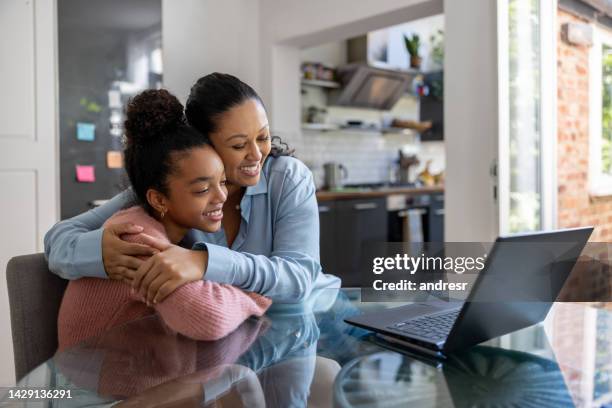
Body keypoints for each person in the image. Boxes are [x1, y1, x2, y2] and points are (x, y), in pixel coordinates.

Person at [45, 73, 340, 303]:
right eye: (238, 145)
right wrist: (101, 252)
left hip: (316, 318)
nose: (257, 154)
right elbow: (57, 239)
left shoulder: (287, 178)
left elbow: (298, 278)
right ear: (204, 144)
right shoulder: (171, 191)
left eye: (262, 137)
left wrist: (203, 262)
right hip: (242, 336)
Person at [57, 89, 271, 350]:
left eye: (223, 182)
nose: (221, 196)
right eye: (203, 189)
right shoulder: (136, 239)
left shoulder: (164, 228)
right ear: (158, 199)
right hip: (96, 386)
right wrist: (255, 297)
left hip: (142, 374)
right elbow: (209, 319)